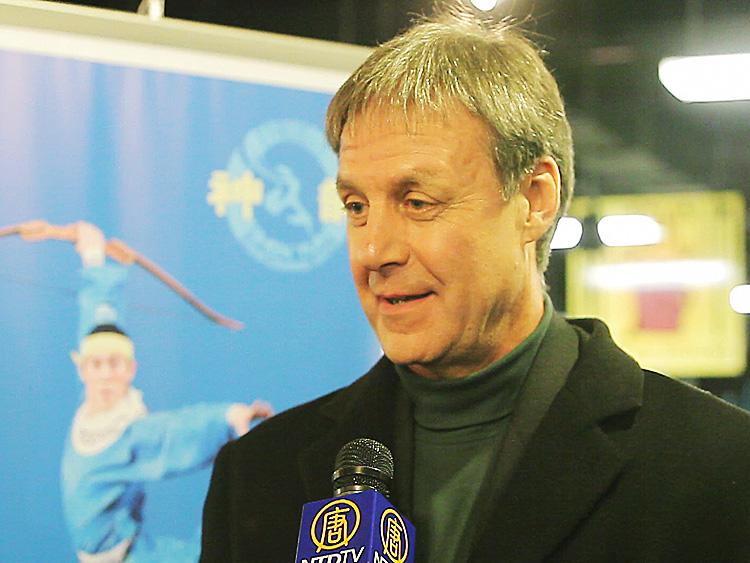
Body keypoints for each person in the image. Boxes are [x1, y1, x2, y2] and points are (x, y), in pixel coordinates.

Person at [200, 9, 750, 563]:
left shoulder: (716, 467)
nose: (374, 251)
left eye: (418, 202)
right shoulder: (258, 476)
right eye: (356, 206)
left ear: (534, 199)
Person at [58, 222, 273, 562]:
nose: (105, 375)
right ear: (82, 370)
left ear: (131, 369)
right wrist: (93, 256)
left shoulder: (129, 431)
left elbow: (174, 431)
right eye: (95, 366)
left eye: (115, 365)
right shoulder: (103, 418)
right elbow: (98, 322)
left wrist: (229, 418)